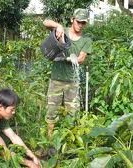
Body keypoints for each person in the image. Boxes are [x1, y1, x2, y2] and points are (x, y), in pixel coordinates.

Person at [43, 8, 92, 137]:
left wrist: (73, 58)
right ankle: (49, 141)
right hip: (56, 79)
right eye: (78, 22)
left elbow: (81, 58)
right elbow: (45, 22)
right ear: (72, 19)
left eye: (83, 23)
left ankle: (70, 144)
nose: (80, 25)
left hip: (73, 82)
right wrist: (58, 25)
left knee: (73, 114)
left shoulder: (86, 40)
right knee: (52, 112)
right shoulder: (62, 31)